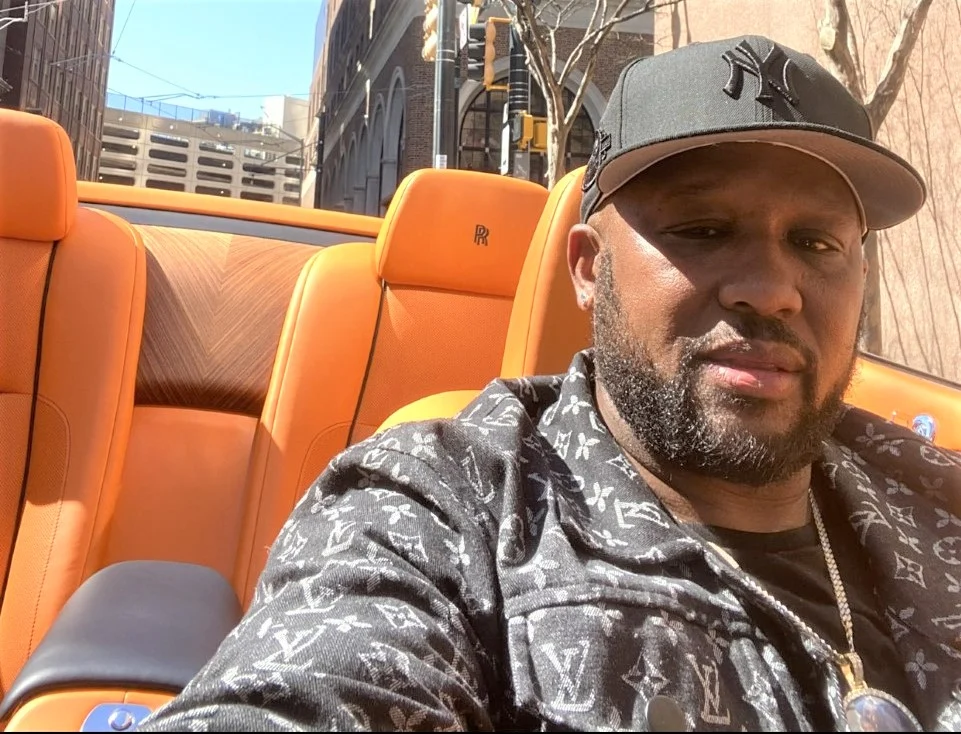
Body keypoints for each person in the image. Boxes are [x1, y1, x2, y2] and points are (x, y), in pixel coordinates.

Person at [141, 35, 961, 732]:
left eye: (817, 244)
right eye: (704, 231)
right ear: (588, 269)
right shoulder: (436, 508)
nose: (772, 288)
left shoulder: (937, 495)